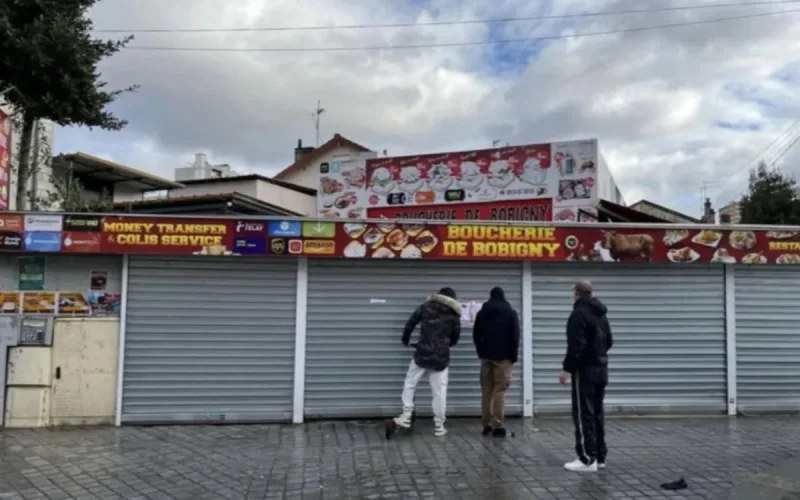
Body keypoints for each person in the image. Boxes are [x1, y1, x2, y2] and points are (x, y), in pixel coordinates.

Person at [558, 280, 613, 472]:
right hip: (602, 368)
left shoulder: (578, 314)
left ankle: (587, 458)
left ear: (576, 293)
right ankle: (600, 456)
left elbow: (576, 346)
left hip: (585, 370)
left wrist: (567, 369)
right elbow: (609, 341)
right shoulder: (601, 315)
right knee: (597, 412)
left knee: (584, 413)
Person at [394, 287, 462, 437]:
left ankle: (406, 416)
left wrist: (405, 339)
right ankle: (439, 425)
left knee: (410, 383)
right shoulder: (454, 314)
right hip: (441, 357)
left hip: (422, 353)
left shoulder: (426, 307)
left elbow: (411, 323)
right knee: (439, 392)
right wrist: (444, 345)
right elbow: (455, 338)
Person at [472, 286, 520, 438]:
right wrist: (513, 357)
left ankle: (486, 425)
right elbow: (515, 336)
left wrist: (481, 352)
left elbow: (476, 334)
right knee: (500, 390)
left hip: (486, 357)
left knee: (486, 390)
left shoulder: (482, 312)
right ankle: (498, 426)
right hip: (503, 358)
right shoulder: (510, 312)